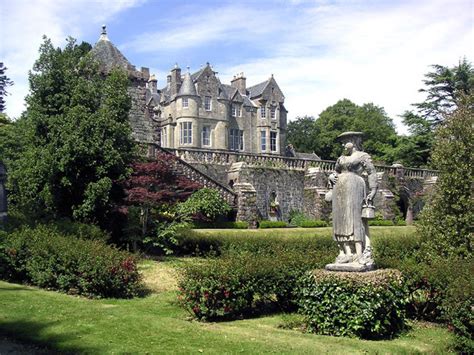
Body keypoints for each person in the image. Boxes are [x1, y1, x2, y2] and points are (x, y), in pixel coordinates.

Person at [328, 132, 377, 265]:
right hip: (339, 189)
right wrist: (331, 176)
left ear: (354, 140)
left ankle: (359, 254)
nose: (343, 144)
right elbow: (336, 171)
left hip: (355, 187)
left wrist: (373, 190)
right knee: (340, 220)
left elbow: (372, 172)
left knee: (355, 219)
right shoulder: (341, 158)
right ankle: (346, 253)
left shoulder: (362, 156)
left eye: (345, 141)